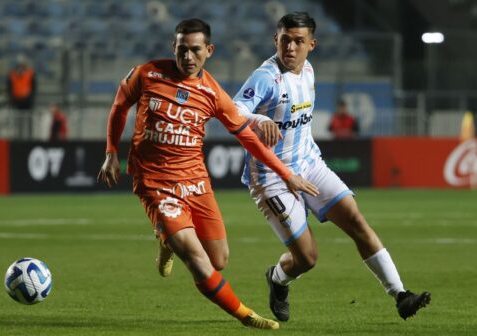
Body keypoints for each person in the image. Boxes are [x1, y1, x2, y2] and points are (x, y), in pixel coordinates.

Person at [97, 18, 318, 330]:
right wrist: (110, 154)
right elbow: (120, 107)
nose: (188, 57)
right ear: (173, 48)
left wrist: (285, 174)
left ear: (209, 51)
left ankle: (166, 241)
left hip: (196, 181)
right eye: (182, 50)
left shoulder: (213, 93)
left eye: (195, 50)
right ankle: (245, 315)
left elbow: (248, 139)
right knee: (198, 262)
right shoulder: (147, 74)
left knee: (218, 260)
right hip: (155, 183)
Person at [233, 11, 431, 322]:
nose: (291, 47)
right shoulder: (266, 77)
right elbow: (233, 109)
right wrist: (259, 119)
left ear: (311, 44)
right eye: (285, 40)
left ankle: (400, 295)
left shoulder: (309, 71)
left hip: (309, 163)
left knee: (356, 220)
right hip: (271, 177)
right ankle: (277, 278)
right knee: (307, 258)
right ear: (276, 39)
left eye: (298, 41)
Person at [7, 54, 36, 139]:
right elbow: (9, 88)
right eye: (19, 64)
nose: (20, 66)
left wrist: (31, 98)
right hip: (16, 100)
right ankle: (17, 136)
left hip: (27, 101)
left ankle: (29, 136)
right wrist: (11, 99)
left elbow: (33, 87)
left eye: (22, 64)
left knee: (27, 120)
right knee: (17, 120)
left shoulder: (30, 73)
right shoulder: (12, 74)